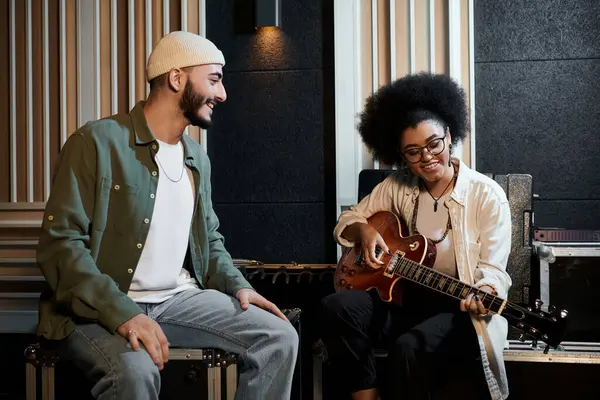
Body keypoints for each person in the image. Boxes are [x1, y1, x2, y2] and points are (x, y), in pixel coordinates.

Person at [36, 31, 298, 400]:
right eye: (214, 79)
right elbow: (60, 246)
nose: (222, 94)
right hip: (98, 309)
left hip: (177, 300)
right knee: (135, 372)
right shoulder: (96, 142)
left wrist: (238, 286)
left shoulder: (196, 159)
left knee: (279, 336)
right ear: (177, 78)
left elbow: (211, 241)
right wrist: (124, 313)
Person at [320, 72, 512, 400]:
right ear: (401, 156)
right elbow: (347, 221)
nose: (426, 157)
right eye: (412, 152)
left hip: (457, 311)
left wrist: (485, 291)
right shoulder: (398, 185)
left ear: (449, 135)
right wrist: (363, 230)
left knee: (408, 348)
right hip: (403, 300)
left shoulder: (486, 195)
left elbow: (494, 270)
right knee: (336, 306)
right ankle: (365, 394)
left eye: (433, 143)